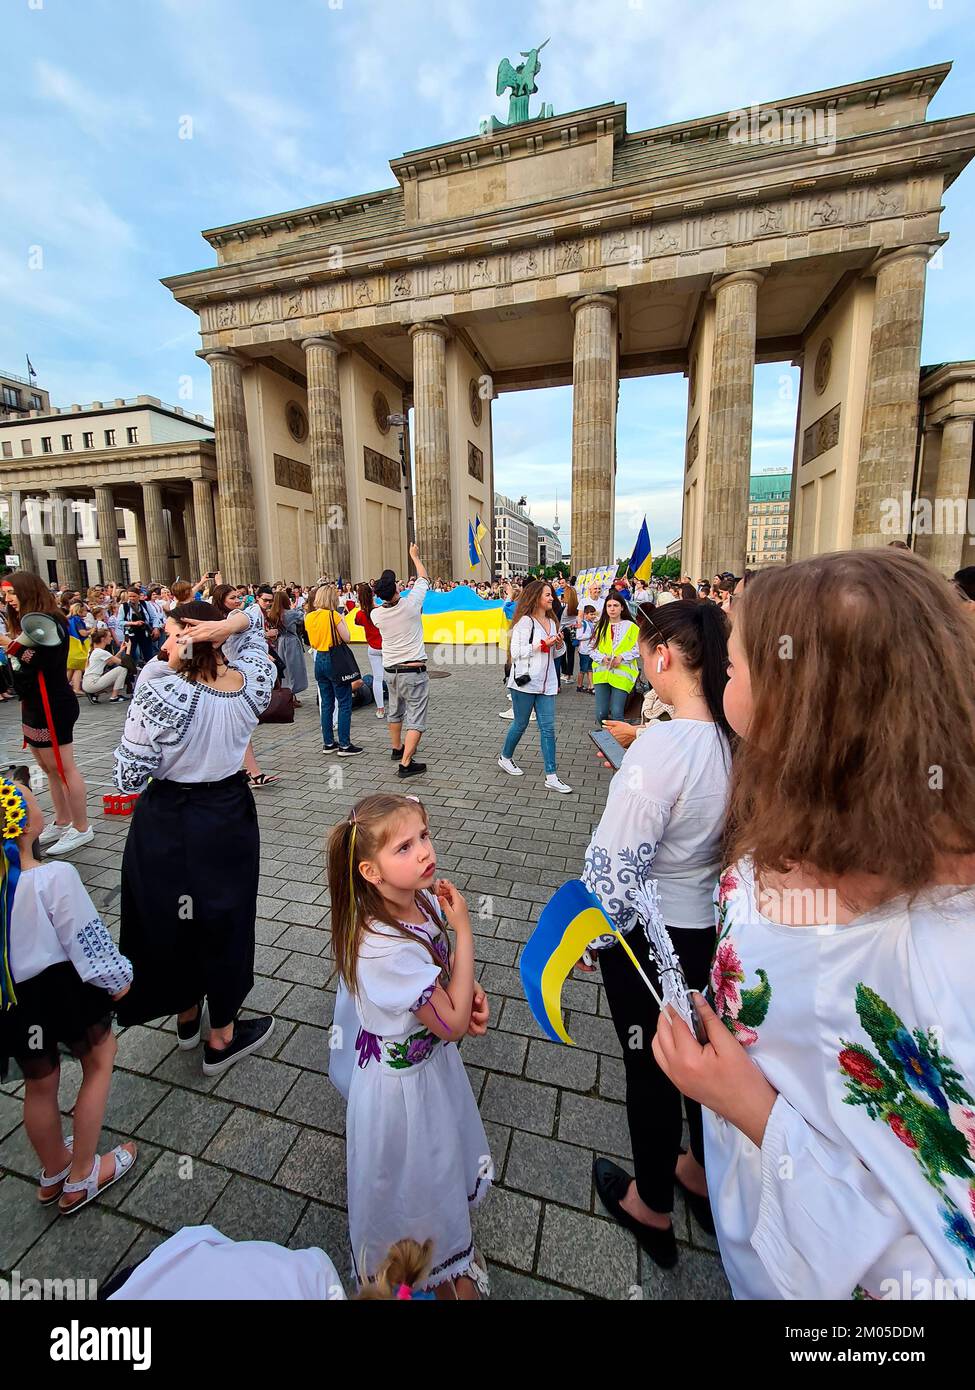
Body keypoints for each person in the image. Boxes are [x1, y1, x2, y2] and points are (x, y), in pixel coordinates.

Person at [653, 549, 975, 1299]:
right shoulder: (796, 808)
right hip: (754, 1222)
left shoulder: (935, 953)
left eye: (733, 668)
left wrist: (753, 1111)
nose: (718, 676)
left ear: (806, 702)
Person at [583, 600, 733, 1268]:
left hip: (648, 934)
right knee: (699, 1052)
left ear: (663, 656)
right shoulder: (732, 734)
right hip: (706, 928)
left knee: (649, 1066)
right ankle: (699, 1171)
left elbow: (614, 866)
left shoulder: (665, 745)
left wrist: (592, 937)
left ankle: (650, 1203)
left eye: (646, 649)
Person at [326, 793, 491, 1297]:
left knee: (431, 1171)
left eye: (424, 835)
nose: (423, 852)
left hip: (428, 1071)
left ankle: (439, 1258)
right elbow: (453, 1024)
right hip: (401, 1095)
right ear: (370, 872)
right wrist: (464, 931)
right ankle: (422, 1265)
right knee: (412, 1180)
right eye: (404, 847)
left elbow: (442, 985)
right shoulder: (381, 946)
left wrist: (466, 988)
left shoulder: (414, 900)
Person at [113, 600, 276, 1075]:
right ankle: (220, 1032)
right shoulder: (252, 681)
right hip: (225, 814)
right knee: (225, 919)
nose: (163, 645)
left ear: (190, 638)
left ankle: (186, 1016)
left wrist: (158, 673)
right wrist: (230, 625)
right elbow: (257, 623)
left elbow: (128, 776)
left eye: (170, 634)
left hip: (166, 818)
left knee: (170, 918)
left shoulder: (158, 686)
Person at [0, 776, 138, 1213]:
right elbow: (87, 939)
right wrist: (119, 981)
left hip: (15, 999)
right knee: (99, 1059)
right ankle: (83, 1174)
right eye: (32, 801)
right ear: (24, 826)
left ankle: (54, 1169)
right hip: (62, 988)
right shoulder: (54, 877)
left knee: (39, 1083)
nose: (40, 803)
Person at [0, 572, 92, 856]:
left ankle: (81, 827)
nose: (8, 600)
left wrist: (8, 643)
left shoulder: (51, 621)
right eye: (5, 596)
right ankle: (62, 819)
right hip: (33, 704)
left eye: (12, 594)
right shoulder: (28, 622)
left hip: (53, 703)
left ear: (27, 591)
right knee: (49, 769)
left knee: (64, 768)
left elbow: (41, 661)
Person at [497, 579, 572, 793]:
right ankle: (505, 757)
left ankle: (551, 775)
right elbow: (517, 652)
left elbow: (558, 654)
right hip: (525, 682)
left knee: (548, 728)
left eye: (551, 595)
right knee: (520, 724)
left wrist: (559, 644)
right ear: (536, 597)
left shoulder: (553, 621)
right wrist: (542, 644)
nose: (552, 598)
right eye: (547, 595)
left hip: (547, 684)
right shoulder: (525, 622)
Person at [209, 585, 280, 787]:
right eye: (233, 597)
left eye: (239, 596)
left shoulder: (238, 615)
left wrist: (258, 649)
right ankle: (242, 772)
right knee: (233, 725)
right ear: (221, 600)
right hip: (222, 678)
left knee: (239, 725)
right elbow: (216, 641)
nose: (238, 600)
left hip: (231, 676)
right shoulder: (231, 618)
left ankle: (251, 772)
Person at [371, 544, 430, 780]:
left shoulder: (377, 615)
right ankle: (406, 763)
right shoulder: (411, 604)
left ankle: (397, 748)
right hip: (413, 671)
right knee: (416, 717)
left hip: (390, 671)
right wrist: (414, 556)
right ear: (397, 588)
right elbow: (424, 578)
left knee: (395, 712)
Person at [304, 585, 363, 758]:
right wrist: (343, 621)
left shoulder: (309, 616)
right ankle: (344, 744)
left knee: (326, 703)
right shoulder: (334, 615)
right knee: (344, 702)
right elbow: (347, 638)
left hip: (319, 659)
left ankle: (328, 742)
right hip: (334, 659)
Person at [590, 592, 640, 726]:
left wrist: (622, 657)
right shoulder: (600, 626)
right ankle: (605, 741)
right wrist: (602, 658)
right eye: (609, 606)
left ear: (622, 607)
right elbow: (591, 648)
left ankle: (619, 742)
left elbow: (639, 648)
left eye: (616, 605)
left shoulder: (631, 627)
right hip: (602, 674)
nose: (612, 609)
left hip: (622, 674)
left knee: (617, 712)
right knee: (601, 713)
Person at [267, 589, 309, 707]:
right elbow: (302, 618)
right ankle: (291, 695)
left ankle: (287, 695)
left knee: (285, 671)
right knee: (294, 669)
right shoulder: (290, 613)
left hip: (280, 642)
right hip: (291, 642)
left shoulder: (272, 614)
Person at [354, 582, 386, 719]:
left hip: (373, 648)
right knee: (392, 678)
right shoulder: (380, 611)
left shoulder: (360, 614)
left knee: (377, 679)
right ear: (372, 594)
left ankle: (380, 709)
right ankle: (401, 706)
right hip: (387, 648)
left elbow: (357, 621)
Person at [82, 628, 129, 703]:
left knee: (117, 677)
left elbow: (110, 662)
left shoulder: (93, 650)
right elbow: (123, 663)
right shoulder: (101, 652)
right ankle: (114, 697)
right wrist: (128, 649)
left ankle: (94, 694)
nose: (111, 638)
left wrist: (121, 651)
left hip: (87, 683)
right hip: (92, 683)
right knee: (122, 669)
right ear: (103, 639)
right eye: (110, 636)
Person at [558, 583, 579, 686]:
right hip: (572, 631)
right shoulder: (577, 608)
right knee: (571, 654)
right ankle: (569, 676)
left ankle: (565, 672)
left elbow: (560, 622)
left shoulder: (564, 609)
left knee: (562, 653)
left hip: (563, 631)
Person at [576, 603, 597, 693]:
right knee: (583, 670)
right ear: (585, 615)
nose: (593, 616)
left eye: (594, 614)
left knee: (590, 669)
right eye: (591, 614)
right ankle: (579, 686)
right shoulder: (582, 624)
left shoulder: (591, 623)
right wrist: (590, 635)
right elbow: (578, 636)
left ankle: (591, 686)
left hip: (590, 650)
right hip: (584, 651)